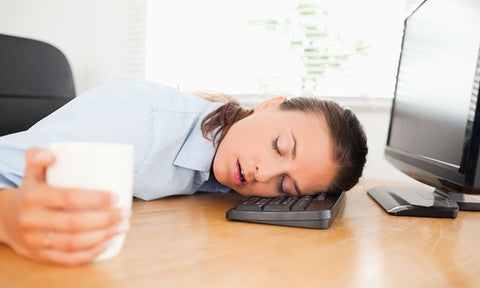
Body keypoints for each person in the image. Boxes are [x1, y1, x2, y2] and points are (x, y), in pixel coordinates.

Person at [0, 77, 367, 266]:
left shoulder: (223, 159)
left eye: (285, 185)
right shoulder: (139, 121)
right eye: (279, 147)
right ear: (269, 106)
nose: (262, 173)